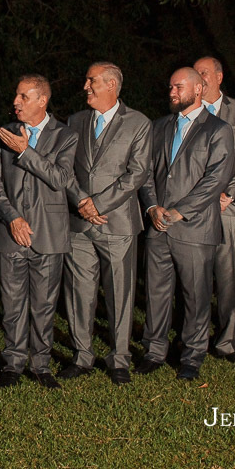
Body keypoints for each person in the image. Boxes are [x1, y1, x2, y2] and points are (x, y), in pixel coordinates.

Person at [136, 67, 234, 381]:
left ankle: (192, 356)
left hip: (195, 228)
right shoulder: (159, 126)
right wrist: (151, 206)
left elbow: (215, 179)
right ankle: (153, 351)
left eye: (178, 86)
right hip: (158, 226)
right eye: (170, 86)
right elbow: (145, 171)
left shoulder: (218, 129)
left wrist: (181, 211)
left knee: (195, 296)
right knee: (156, 293)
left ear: (199, 88)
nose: (172, 92)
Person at [0, 75, 78, 390]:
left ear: (42, 100)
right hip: (11, 231)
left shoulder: (65, 135)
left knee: (43, 304)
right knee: (12, 302)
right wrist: (11, 218)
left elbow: (60, 178)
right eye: (16, 95)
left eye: (24, 96)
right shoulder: (4, 134)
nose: (16, 102)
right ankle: (12, 363)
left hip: (49, 233)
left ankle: (40, 364)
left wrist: (25, 152)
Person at [61, 62, 151, 386]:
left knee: (120, 294)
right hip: (80, 224)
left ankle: (119, 359)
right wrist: (81, 202)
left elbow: (137, 173)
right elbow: (65, 169)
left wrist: (98, 204)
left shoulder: (138, 123)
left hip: (118, 224)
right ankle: (82, 356)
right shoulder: (76, 121)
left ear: (111, 84)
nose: (85, 86)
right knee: (79, 293)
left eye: (91, 81)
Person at [194, 56, 235, 365]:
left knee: (229, 276)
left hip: (227, 207)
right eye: (195, 73)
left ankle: (227, 343)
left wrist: (230, 193)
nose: (199, 78)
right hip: (193, 208)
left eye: (203, 73)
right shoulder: (186, 108)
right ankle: (192, 340)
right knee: (194, 275)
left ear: (219, 77)